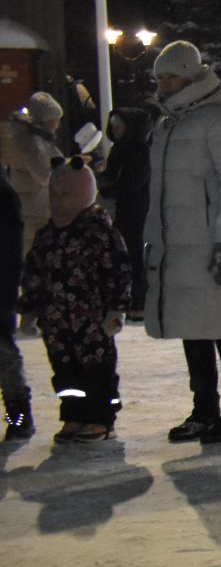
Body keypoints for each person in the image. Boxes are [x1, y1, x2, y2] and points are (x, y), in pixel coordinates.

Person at [145, 40, 221, 444]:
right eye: (159, 77)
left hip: (212, 245)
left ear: (190, 74)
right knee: (193, 328)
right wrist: (154, 241)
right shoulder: (167, 125)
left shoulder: (218, 120)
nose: (164, 84)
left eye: (170, 75)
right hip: (179, 248)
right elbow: (159, 194)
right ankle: (205, 410)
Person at [18, 161, 132, 442]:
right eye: (53, 196)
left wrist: (116, 308)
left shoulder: (98, 233)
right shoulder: (47, 236)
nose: (57, 203)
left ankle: (100, 418)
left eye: (65, 196)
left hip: (92, 322)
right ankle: (74, 414)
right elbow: (34, 273)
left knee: (96, 371)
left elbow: (118, 271)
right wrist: (30, 308)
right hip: (56, 322)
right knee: (65, 372)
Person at [99, 108, 153, 321]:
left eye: (119, 126)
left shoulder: (140, 152)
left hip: (135, 212)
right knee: (123, 256)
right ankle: (127, 300)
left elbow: (131, 182)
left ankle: (138, 302)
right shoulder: (120, 149)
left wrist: (108, 188)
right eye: (114, 126)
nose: (115, 130)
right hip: (121, 211)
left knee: (134, 256)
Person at [2, 90, 63, 249]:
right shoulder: (33, 142)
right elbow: (44, 174)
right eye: (56, 119)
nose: (58, 124)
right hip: (36, 209)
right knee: (37, 254)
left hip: (32, 206)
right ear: (47, 119)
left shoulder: (32, 137)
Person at [0, 163, 27, 439]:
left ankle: (18, 417)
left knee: (5, 358)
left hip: (1, 292)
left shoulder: (4, 196)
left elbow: (10, 252)